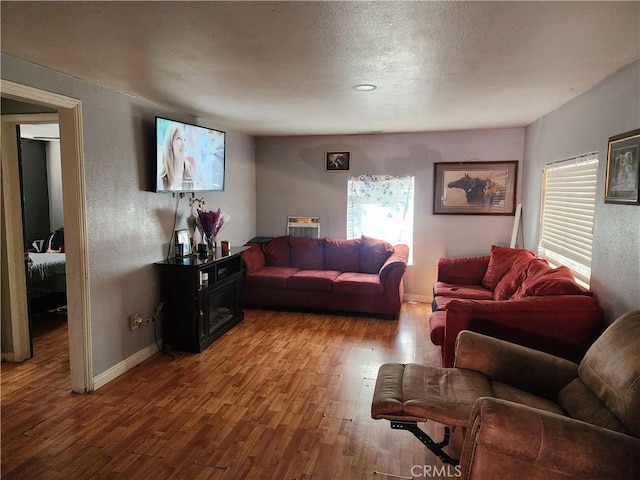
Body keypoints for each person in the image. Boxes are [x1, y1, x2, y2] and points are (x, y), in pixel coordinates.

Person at [159, 124, 196, 190]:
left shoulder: (190, 172)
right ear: (170, 144)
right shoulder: (161, 179)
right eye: (179, 138)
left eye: (184, 139)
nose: (183, 144)